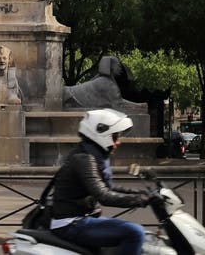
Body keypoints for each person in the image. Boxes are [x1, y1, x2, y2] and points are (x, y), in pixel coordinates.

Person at [50, 109, 149, 255]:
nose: (118, 142)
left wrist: (141, 193)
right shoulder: (84, 159)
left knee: (144, 235)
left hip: (81, 218)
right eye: (115, 137)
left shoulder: (89, 155)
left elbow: (107, 188)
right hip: (70, 223)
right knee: (135, 232)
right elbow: (103, 195)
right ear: (102, 135)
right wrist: (140, 200)